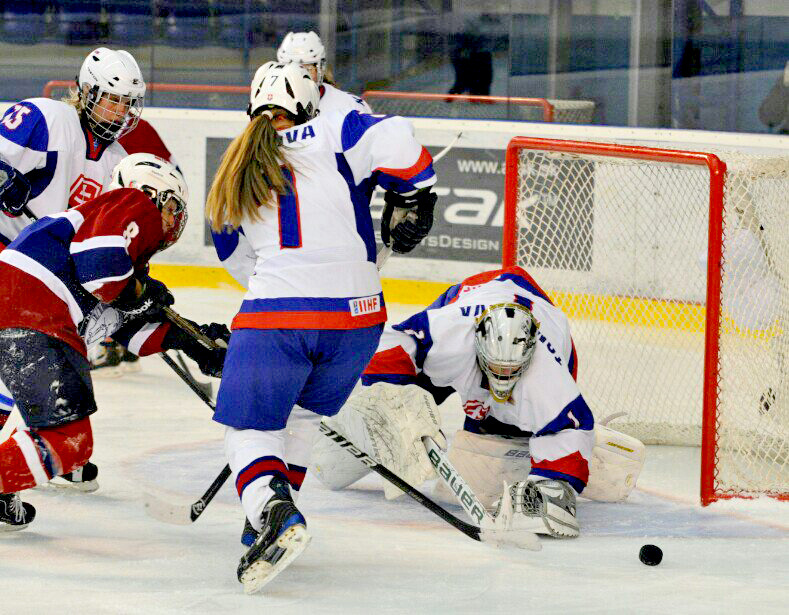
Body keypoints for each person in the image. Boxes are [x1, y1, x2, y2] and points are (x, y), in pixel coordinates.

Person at [205, 62, 437, 594]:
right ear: (312, 104)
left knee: (250, 430)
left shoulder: (235, 161)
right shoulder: (339, 128)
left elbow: (230, 251)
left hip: (278, 314)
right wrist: (415, 197)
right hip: (358, 320)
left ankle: (272, 510)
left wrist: (270, 301)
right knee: (303, 418)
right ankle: (271, 507)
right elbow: (401, 143)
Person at [310, 266, 646, 542]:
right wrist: (397, 402)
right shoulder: (449, 336)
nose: (501, 377)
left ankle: (555, 446)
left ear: (528, 357)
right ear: (478, 348)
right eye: (495, 368)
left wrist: (554, 486)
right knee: (337, 459)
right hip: (474, 300)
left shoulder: (547, 378)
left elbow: (573, 422)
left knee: (475, 488)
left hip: (544, 332)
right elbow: (384, 348)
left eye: (510, 370)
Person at [0, 153, 228, 532]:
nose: (172, 220)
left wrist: (193, 340)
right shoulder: (130, 203)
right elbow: (103, 274)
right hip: (32, 309)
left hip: (17, 310)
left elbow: (130, 331)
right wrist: (140, 291)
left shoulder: (116, 241)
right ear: (150, 193)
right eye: (171, 206)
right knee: (66, 439)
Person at [0, 46, 146, 493]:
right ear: (85, 92)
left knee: (62, 350)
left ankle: (50, 443)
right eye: (110, 98)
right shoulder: (45, 117)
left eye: (126, 102)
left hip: (44, 276)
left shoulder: (119, 162)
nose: (118, 110)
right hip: (8, 255)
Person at [92, 117, 181, 377]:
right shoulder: (142, 127)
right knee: (129, 276)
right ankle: (127, 350)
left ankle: (112, 348)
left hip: (139, 215)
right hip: (162, 209)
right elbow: (173, 168)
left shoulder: (110, 133)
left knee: (114, 277)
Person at [277, 31, 372, 115]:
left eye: (307, 69)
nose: (298, 77)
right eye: (292, 70)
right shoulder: (270, 106)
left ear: (320, 69)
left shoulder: (350, 106)